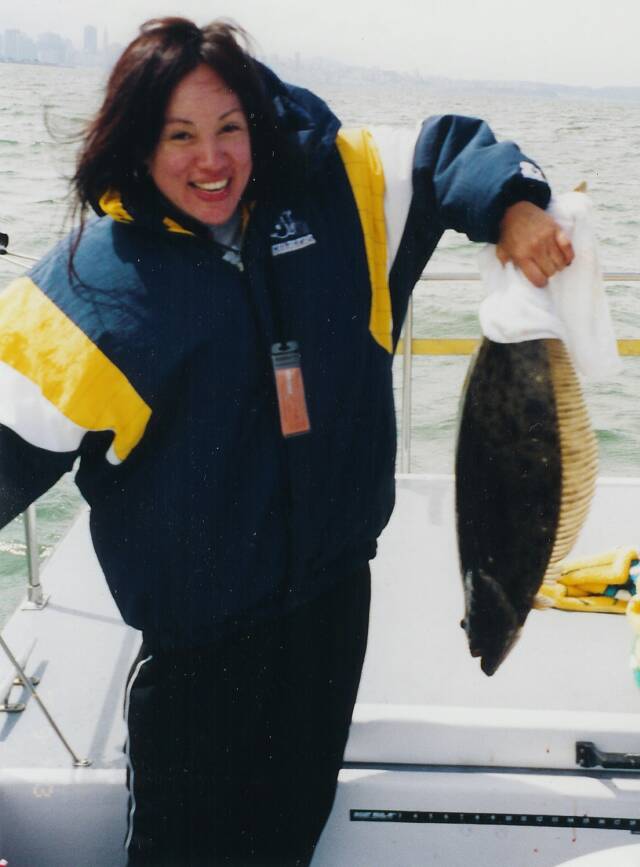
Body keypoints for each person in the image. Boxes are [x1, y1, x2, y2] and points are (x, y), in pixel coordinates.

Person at [0, 16, 574, 867]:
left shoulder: (344, 193)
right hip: (201, 656)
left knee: (292, 832)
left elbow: (445, 152)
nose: (212, 160)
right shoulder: (89, 290)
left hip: (332, 612)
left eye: (230, 129)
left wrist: (514, 206)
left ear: (260, 128)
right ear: (134, 143)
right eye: (180, 135)